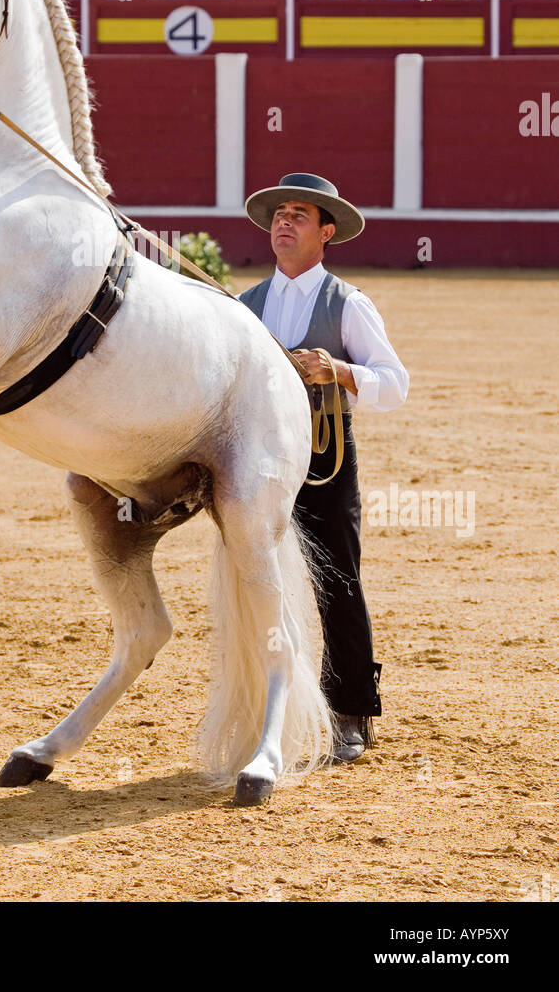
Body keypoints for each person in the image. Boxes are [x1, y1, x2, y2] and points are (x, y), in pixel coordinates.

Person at [238, 172, 409, 762]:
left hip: (325, 457)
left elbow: (395, 383)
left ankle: (351, 710)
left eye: (299, 215)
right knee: (258, 582)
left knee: (337, 581)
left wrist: (337, 370)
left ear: (325, 232)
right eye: (278, 214)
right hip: (257, 463)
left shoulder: (348, 303)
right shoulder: (244, 307)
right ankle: (268, 709)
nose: (284, 223)